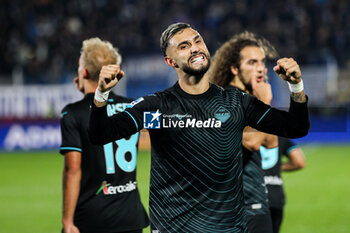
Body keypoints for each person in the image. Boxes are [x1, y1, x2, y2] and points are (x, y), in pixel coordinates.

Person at [88, 23, 309, 232]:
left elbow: (296, 127)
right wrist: (101, 95)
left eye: (197, 41)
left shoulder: (236, 102)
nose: (195, 49)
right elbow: (101, 134)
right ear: (170, 62)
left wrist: (295, 86)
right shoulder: (157, 108)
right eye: (184, 46)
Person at [59, 37, 149, 233]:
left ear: (83, 72)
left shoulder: (73, 113)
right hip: (130, 217)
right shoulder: (132, 105)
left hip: (93, 218)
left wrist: (67, 221)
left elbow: (72, 170)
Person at [209, 31, 278, 233]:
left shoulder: (249, 99)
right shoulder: (225, 99)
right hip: (239, 207)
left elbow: (271, 142)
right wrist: (265, 104)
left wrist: (262, 105)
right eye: (252, 62)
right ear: (234, 68)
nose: (260, 69)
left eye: (262, 62)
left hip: (254, 202)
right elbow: (254, 142)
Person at [260, 136, 306, 233]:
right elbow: (299, 162)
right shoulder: (279, 137)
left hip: (252, 193)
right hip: (275, 195)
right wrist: (278, 167)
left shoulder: (245, 137)